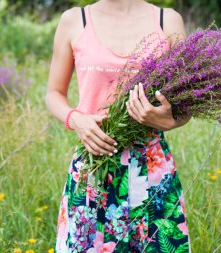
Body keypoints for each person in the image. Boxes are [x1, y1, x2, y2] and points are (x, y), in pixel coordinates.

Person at [44, 0, 192, 252]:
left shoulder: (168, 21)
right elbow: (53, 93)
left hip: (153, 170)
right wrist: (76, 119)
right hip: (94, 167)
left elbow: (186, 105)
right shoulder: (74, 20)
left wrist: (169, 120)